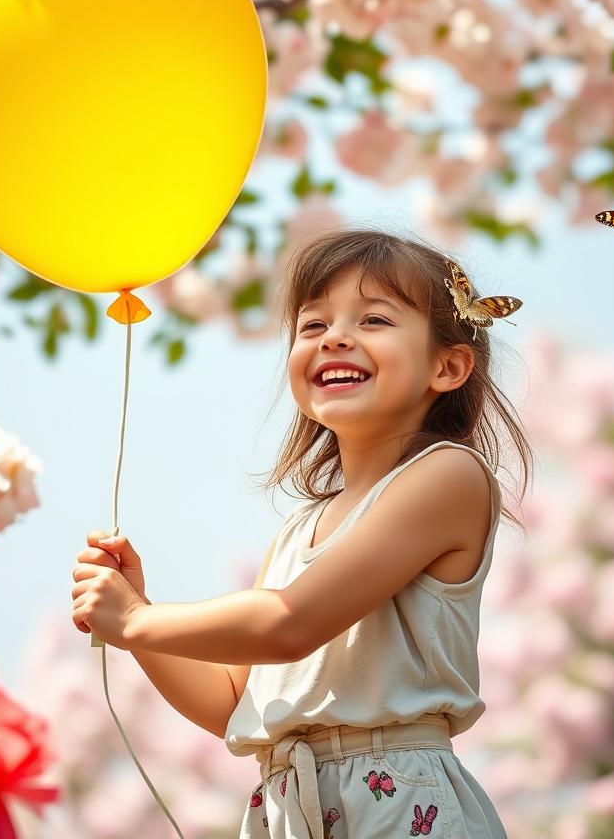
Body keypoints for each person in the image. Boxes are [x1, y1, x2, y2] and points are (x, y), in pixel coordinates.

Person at [73, 227, 533, 839]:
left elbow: (290, 623)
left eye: (374, 320)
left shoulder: (448, 475)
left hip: (398, 804)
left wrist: (133, 622)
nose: (335, 337)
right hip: (288, 806)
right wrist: (139, 621)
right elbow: (230, 701)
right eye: (312, 326)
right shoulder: (299, 530)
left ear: (447, 366)